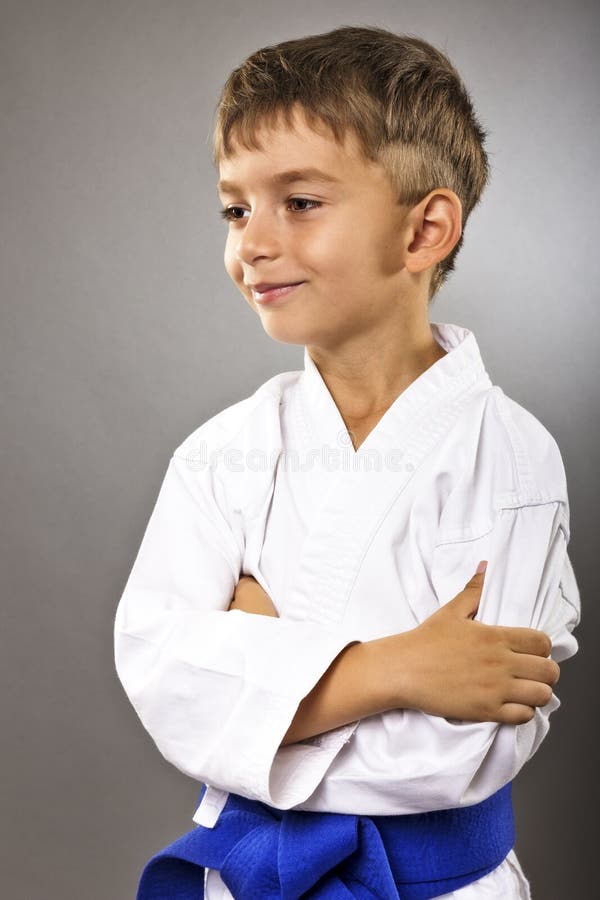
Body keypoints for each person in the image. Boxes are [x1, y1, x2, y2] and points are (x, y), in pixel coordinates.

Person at [113, 25, 581, 899]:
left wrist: (264, 655)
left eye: (299, 202)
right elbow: (163, 677)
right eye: (235, 208)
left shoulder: (510, 457)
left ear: (424, 230)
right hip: (251, 879)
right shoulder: (223, 456)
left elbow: (458, 748)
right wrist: (392, 667)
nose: (251, 241)